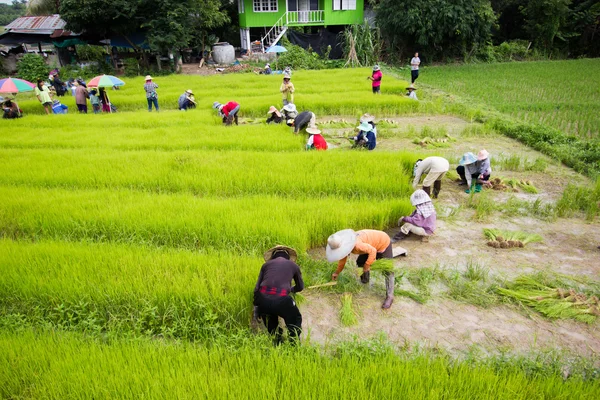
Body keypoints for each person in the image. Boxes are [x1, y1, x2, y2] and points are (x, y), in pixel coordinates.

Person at [327, 229, 395, 309]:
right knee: (360, 261)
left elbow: (373, 251)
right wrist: (337, 272)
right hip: (369, 244)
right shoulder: (345, 245)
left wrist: (367, 265)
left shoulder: (357, 245)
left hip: (383, 242)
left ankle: (390, 296)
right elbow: (342, 260)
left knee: (388, 270)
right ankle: (365, 279)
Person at [253, 245, 304, 345]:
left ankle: (277, 341)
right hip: (282, 300)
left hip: (263, 299)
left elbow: (256, 288)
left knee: (271, 323)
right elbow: (300, 287)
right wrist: (291, 290)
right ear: (288, 256)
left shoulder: (265, 265)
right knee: (295, 319)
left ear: (273, 257)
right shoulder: (293, 265)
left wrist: (257, 307)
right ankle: (294, 344)